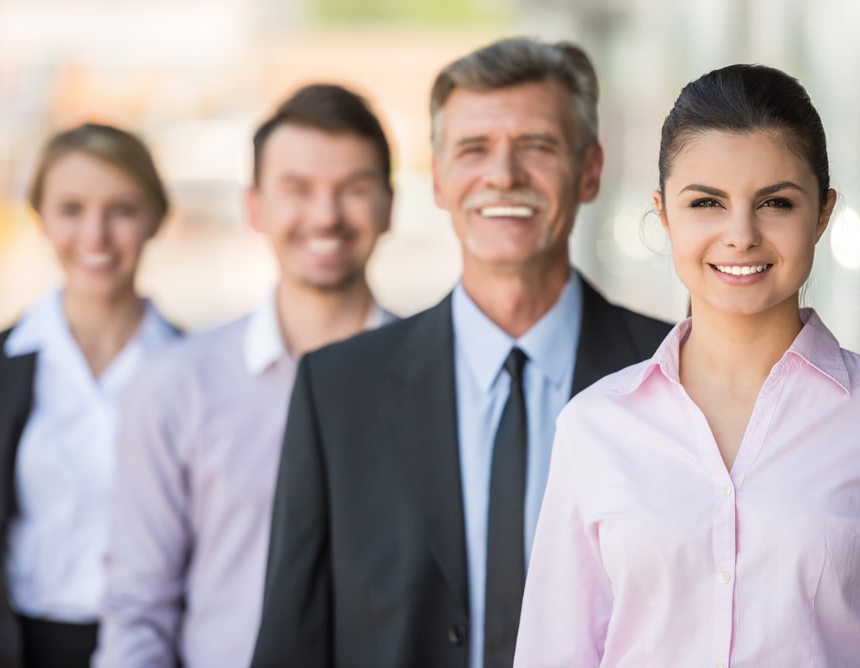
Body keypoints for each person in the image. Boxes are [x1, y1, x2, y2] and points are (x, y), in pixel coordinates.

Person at [513, 63, 860, 667]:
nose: (741, 234)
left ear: (823, 214)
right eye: (707, 203)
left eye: (775, 202)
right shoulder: (593, 428)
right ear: (664, 214)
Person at [250, 37, 672, 668]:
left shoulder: (675, 370)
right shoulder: (337, 390)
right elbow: (293, 639)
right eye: (474, 149)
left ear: (590, 170)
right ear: (440, 178)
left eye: (537, 146)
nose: (503, 175)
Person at [93, 84, 398, 668]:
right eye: (297, 189)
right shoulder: (176, 386)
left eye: (353, 190)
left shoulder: (446, 381)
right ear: (254, 207)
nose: (325, 216)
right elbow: (138, 610)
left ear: (390, 204)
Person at [0, 123, 180, 668]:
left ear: (158, 217)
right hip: (9, 650)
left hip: (156, 651)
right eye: (71, 209)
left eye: (122, 209)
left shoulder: (195, 375)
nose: (96, 235)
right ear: (38, 217)